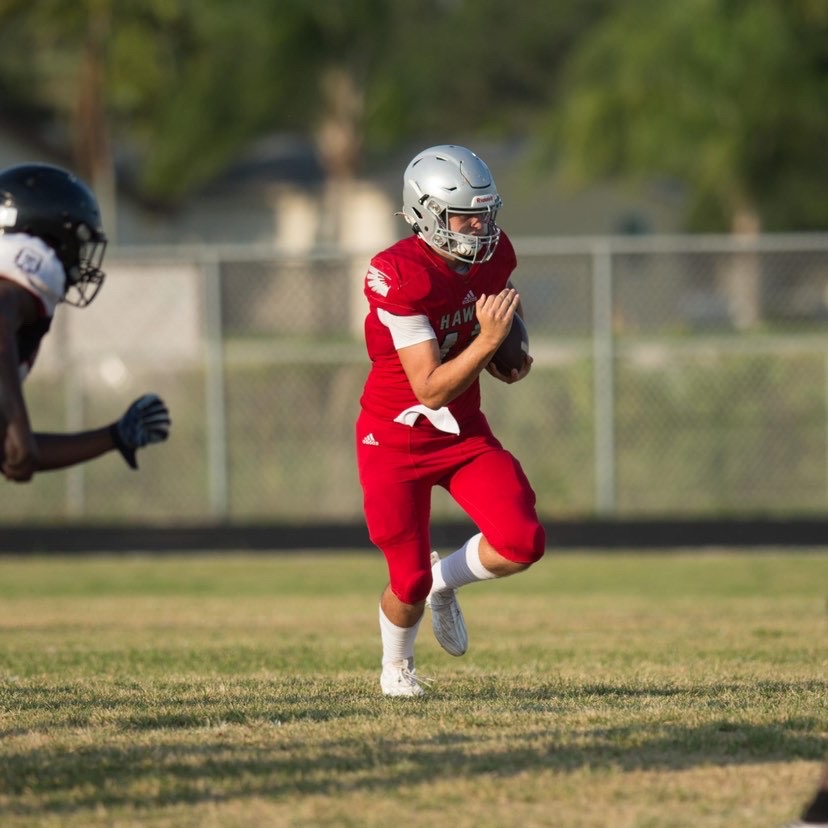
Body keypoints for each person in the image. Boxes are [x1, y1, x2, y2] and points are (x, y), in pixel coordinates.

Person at [355, 144, 545, 696]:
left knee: (521, 541)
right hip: (393, 438)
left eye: (484, 213)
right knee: (405, 581)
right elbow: (431, 388)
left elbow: (504, 313)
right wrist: (487, 342)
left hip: (463, 432)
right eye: (464, 214)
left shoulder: (493, 253)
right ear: (425, 212)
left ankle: (445, 582)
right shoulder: (398, 273)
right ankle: (396, 668)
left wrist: (510, 351)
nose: (478, 226)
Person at [0, 162, 170, 482]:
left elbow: (12, 454)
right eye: (78, 243)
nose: (81, 260)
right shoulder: (31, 256)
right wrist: (19, 432)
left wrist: (113, 437)